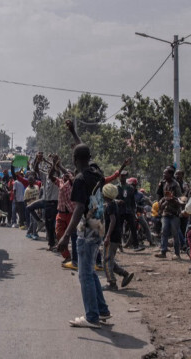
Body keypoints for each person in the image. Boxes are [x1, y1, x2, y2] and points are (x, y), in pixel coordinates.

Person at [57, 120, 110, 329]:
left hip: (86, 230)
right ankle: (102, 310)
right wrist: (74, 133)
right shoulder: (96, 172)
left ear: (75, 159)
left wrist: (64, 237)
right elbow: (84, 151)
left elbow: (78, 210)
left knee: (84, 274)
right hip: (99, 225)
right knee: (90, 271)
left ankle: (92, 317)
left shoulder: (79, 179)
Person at [101, 184, 134, 291]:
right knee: (109, 259)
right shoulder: (113, 204)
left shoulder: (111, 205)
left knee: (106, 261)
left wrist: (107, 236)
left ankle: (112, 283)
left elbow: (113, 221)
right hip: (116, 236)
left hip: (111, 237)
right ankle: (124, 274)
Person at [155, 167, 184, 259]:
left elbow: (181, 199)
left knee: (175, 234)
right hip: (166, 212)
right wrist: (162, 202)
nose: (164, 175)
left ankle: (177, 254)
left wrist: (173, 199)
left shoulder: (176, 185)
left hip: (174, 213)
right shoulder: (165, 184)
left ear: (170, 175)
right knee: (164, 232)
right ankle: (163, 251)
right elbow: (164, 196)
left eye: (165, 173)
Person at [116, 170, 144, 252]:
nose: (122, 177)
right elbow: (112, 198)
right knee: (119, 229)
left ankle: (136, 246)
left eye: (124, 176)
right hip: (120, 211)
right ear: (119, 177)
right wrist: (117, 201)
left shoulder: (130, 188)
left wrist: (134, 210)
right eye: (121, 176)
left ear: (126, 177)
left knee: (133, 228)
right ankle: (119, 246)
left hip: (129, 211)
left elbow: (132, 201)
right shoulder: (116, 187)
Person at [23, 175, 41, 240]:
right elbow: (25, 200)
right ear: (28, 182)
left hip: (37, 206)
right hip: (31, 207)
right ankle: (34, 233)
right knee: (35, 221)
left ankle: (28, 233)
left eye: (32, 180)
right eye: (30, 181)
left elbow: (39, 196)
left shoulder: (37, 187)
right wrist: (31, 199)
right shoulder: (27, 190)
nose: (31, 182)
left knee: (32, 222)